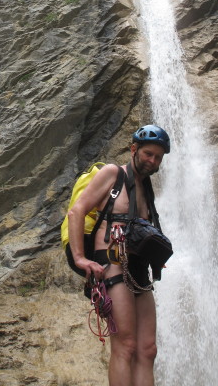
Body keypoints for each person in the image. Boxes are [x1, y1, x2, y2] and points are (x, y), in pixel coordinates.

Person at [67, 124, 171, 386]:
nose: (153, 161)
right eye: (148, 153)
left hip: (139, 269)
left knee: (148, 349)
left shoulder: (147, 189)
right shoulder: (113, 174)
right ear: (133, 149)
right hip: (111, 264)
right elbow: (76, 212)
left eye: (158, 157)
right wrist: (80, 258)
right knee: (125, 345)